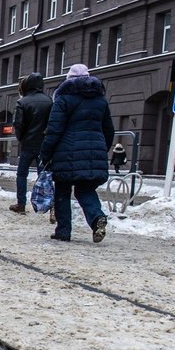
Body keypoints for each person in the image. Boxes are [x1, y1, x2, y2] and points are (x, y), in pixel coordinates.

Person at [39, 64, 114, 243]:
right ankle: (97, 218)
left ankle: (63, 231)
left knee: (63, 191)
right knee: (85, 189)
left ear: (68, 80)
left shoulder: (63, 99)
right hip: (93, 152)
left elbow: (54, 130)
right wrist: (102, 149)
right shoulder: (101, 101)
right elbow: (109, 130)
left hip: (65, 152)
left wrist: (45, 153)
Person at [10, 72, 52, 214]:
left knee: (22, 174)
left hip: (27, 144)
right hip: (44, 144)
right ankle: (48, 204)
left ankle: (21, 204)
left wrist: (21, 138)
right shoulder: (49, 101)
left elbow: (18, 124)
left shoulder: (22, 102)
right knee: (44, 175)